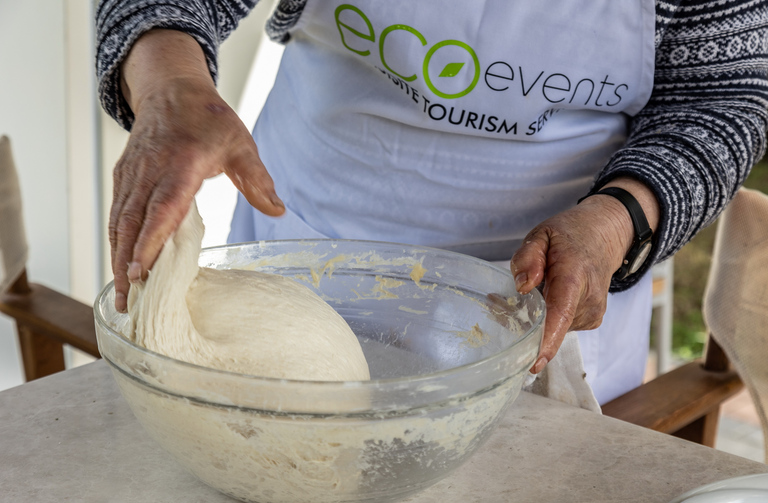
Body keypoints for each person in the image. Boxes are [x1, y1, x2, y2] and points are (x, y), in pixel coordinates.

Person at [96, 0, 768, 404]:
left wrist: (617, 219)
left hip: (544, 299)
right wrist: (170, 88)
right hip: (301, 252)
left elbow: (725, 97)